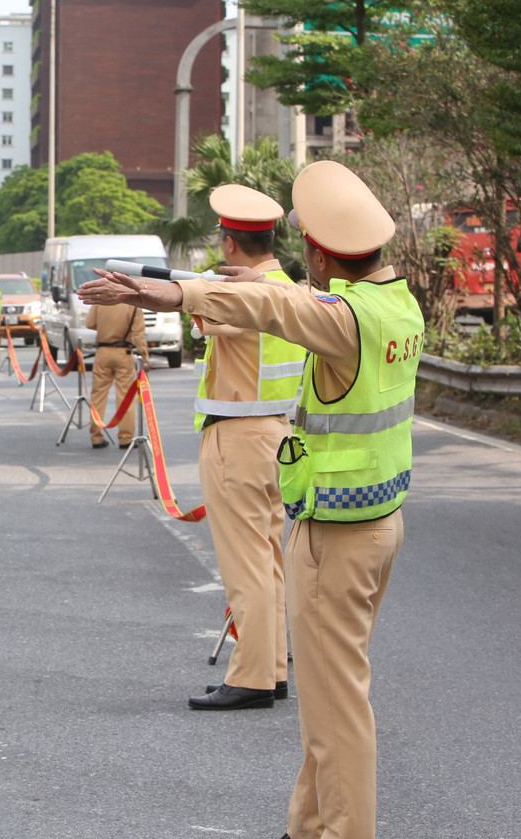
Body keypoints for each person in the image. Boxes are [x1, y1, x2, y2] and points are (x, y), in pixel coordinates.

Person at [78, 161, 423, 839]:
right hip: (381, 523)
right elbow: (283, 297)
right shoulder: (398, 304)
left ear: (322, 254)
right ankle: (308, 824)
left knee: (340, 709)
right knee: (328, 701)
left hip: (337, 537)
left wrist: (172, 292)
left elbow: (275, 305)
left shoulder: (342, 318)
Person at [184, 184, 307, 711]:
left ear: (230, 243)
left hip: (238, 434)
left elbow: (200, 317)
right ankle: (272, 666)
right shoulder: (293, 290)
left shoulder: (244, 295)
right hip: (280, 436)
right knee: (271, 559)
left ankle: (253, 676)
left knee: (246, 564)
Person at [84, 300, 149, 448]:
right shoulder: (133, 304)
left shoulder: (100, 301)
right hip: (123, 352)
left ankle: (96, 437)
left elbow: (89, 323)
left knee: (98, 395)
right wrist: (145, 357)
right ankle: (125, 438)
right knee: (125, 396)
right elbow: (138, 335)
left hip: (102, 351)